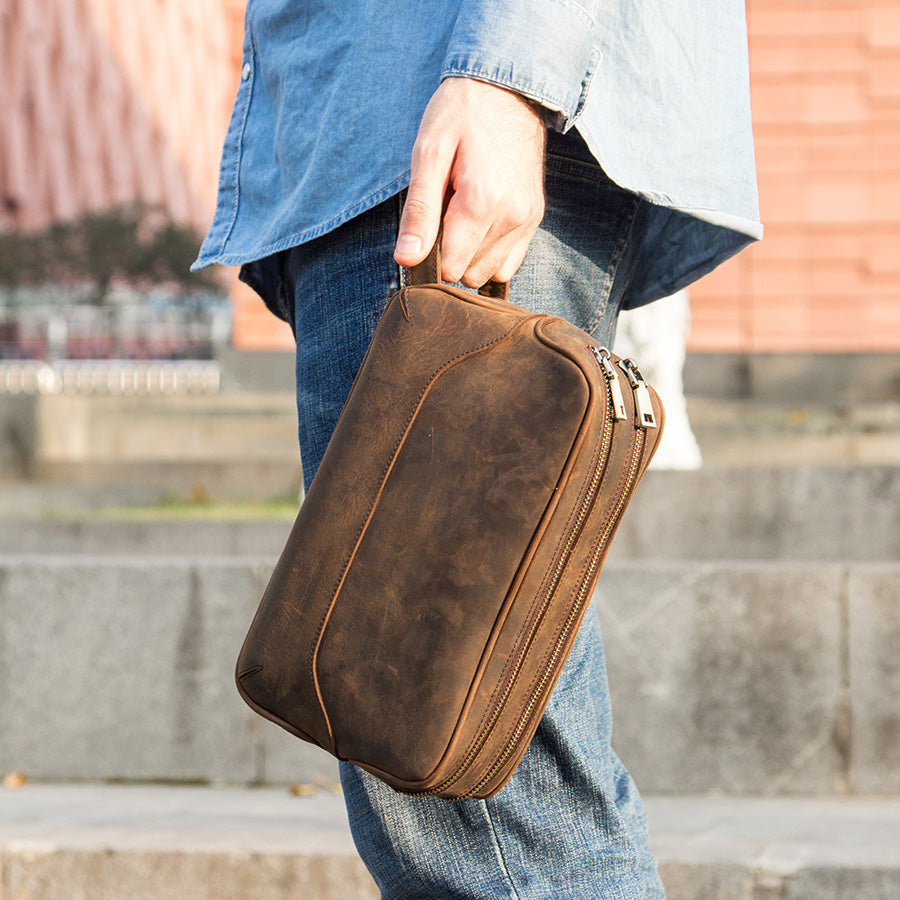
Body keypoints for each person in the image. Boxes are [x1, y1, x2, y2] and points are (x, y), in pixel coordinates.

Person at [195, 2, 761, 896]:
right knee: (445, 763)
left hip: (448, 119)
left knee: (471, 783)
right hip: (388, 127)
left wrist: (508, 78)